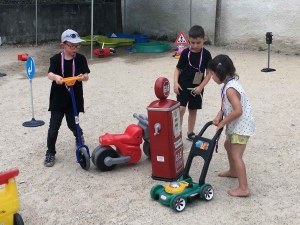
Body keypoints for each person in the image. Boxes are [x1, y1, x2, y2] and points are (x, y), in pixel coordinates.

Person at [207, 54, 255, 197]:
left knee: (236, 155)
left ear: (220, 73)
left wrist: (222, 122)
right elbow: (226, 105)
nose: (212, 78)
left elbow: (238, 111)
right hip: (237, 125)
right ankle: (233, 171)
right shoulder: (229, 84)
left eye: (212, 75)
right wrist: (218, 116)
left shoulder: (230, 89)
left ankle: (243, 188)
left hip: (241, 127)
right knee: (228, 145)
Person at [44, 29, 90, 167]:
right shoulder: (56, 59)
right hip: (58, 100)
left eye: (77, 46)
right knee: (54, 127)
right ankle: (50, 152)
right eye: (72, 46)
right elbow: (49, 74)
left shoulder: (80, 59)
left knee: (72, 124)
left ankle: (79, 136)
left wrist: (83, 77)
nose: (75, 49)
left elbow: (86, 75)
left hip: (74, 99)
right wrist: (56, 77)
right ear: (63, 45)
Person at [174, 25, 212, 141]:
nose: (195, 46)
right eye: (192, 42)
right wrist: (175, 83)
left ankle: (190, 133)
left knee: (193, 110)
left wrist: (201, 86)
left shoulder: (206, 55)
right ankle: (177, 133)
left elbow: (209, 74)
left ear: (204, 39)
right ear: (189, 39)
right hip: (183, 86)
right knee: (181, 108)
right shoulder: (185, 53)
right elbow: (177, 69)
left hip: (197, 88)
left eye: (198, 42)